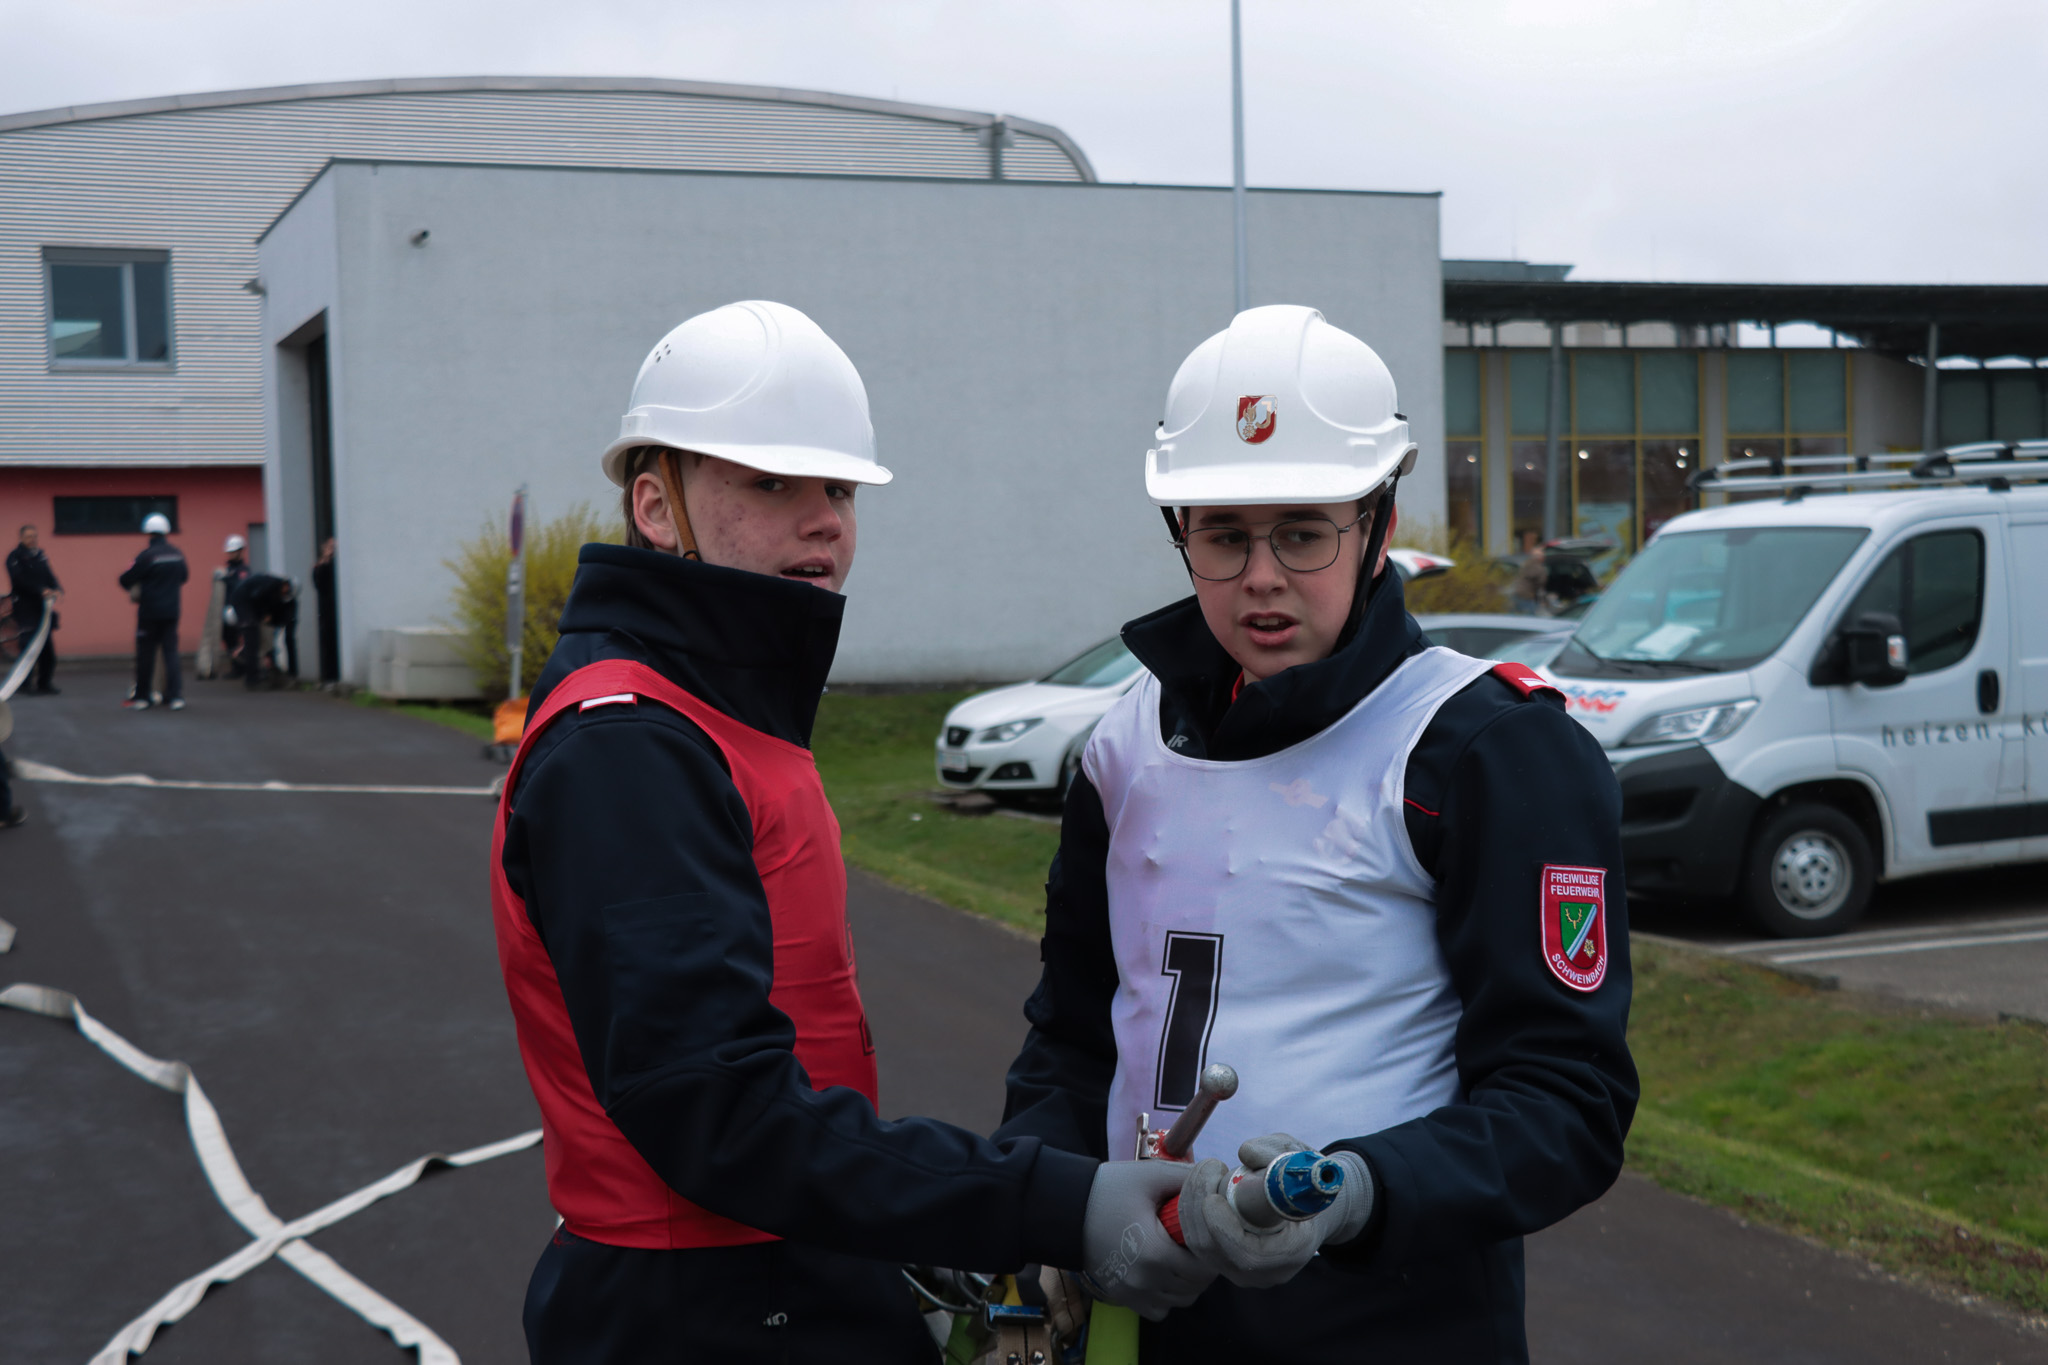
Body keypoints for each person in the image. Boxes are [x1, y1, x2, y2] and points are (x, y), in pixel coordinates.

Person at [493, 300, 1209, 1362]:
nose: (823, 518)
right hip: (701, 1310)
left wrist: (900, 1229)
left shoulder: (709, 714)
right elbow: (718, 1115)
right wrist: (1043, 1204)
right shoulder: (630, 747)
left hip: (779, 1274)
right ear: (655, 505)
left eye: (836, 487)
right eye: (771, 483)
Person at [995, 306, 1636, 1362]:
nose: (1259, 577)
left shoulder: (1487, 748)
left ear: (1377, 525)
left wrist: (1355, 1196)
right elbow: (1071, 1033)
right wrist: (1042, 1199)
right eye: (1221, 534)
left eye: (1302, 530)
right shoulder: (1121, 743)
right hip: (1134, 1322)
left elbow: (1564, 1102)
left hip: (1385, 1322)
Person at [119, 513, 187, 711]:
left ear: (148, 533)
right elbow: (184, 576)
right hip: (172, 612)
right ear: (166, 532)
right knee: (171, 654)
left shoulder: (146, 556)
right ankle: (175, 697)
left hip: (149, 613)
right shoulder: (177, 554)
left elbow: (125, 579)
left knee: (145, 655)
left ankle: (142, 697)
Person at [6, 524, 62, 694]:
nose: (33, 539)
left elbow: (49, 576)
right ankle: (25, 684)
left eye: (35, 536)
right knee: (29, 647)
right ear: (21, 538)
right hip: (25, 609)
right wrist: (40, 590)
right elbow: (19, 580)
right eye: (29, 536)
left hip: (42, 610)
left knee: (47, 651)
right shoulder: (14, 557)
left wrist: (56, 589)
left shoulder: (40, 556)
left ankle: (44, 683)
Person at [230, 573, 298, 689]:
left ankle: (250, 665)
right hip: (243, 601)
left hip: (246, 602)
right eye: (286, 591)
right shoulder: (272, 586)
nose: (285, 594)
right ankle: (252, 679)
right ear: (286, 585)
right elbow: (257, 597)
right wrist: (263, 614)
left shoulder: (275, 590)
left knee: (256, 639)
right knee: (252, 639)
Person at [219, 534, 253, 675]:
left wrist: (227, 579)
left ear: (240, 551)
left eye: (233, 552)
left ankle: (242, 667)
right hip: (228, 609)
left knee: (240, 638)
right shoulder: (229, 569)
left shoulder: (243, 570)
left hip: (238, 610)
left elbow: (239, 586)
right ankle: (237, 665)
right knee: (228, 637)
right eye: (229, 552)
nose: (230, 554)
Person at [311, 537, 340, 684]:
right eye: (329, 547)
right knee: (328, 641)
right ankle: (329, 676)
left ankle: (336, 674)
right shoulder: (321, 567)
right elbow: (318, 583)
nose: (332, 550)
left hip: (337, 610)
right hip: (327, 610)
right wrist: (325, 560)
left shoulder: (339, 565)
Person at [1510, 528, 1547, 616]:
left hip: (1517, 592)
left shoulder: (1525, 564)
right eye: (1543, 557)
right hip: (1527, 595)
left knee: (1514, 616)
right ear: (1540, 558)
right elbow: (1541, 584)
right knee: (1531, 617)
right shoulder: (1539, 568)